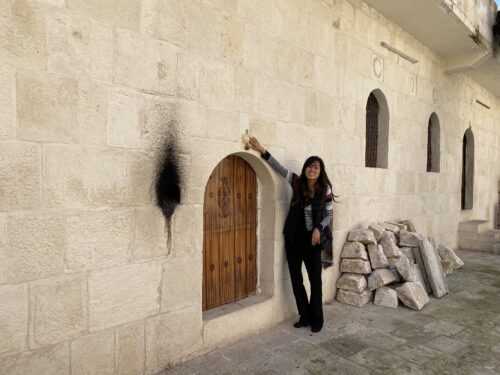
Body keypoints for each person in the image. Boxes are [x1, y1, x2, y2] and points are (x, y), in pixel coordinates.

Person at [249, 136, 335, 333]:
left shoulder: (325, 190)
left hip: (313, 241)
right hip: (293, 239)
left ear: (320, 171)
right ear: (305, 169)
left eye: (316, 168)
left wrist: (318, 228)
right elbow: (279, 168)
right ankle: (304, 316)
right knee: (296, 280)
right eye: (309, 167)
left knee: (315, 281)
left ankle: (317, 319)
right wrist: (262, 150)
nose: (312, 170)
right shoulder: (297, 182)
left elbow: (329, 214)